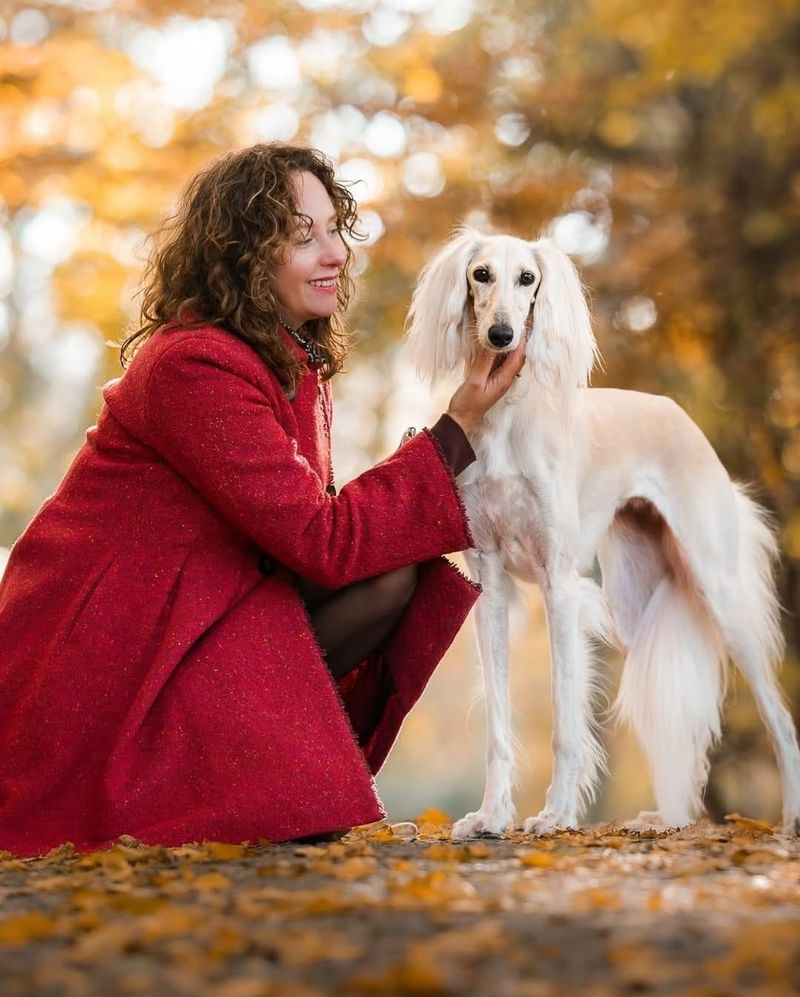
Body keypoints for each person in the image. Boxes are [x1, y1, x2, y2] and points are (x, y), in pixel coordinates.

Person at [0, 144, 526, 857]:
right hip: (102, 661)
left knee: (395, 575)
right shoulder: (194, 363)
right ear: (244, 257)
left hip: (193, 617)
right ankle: (238, 780)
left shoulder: (285, 359)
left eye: (334, 228)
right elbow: (322, 540)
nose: (334, 252)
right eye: (302, 237)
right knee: (372, 565)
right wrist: (454, 430)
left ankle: (268, 769)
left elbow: (321, 544)